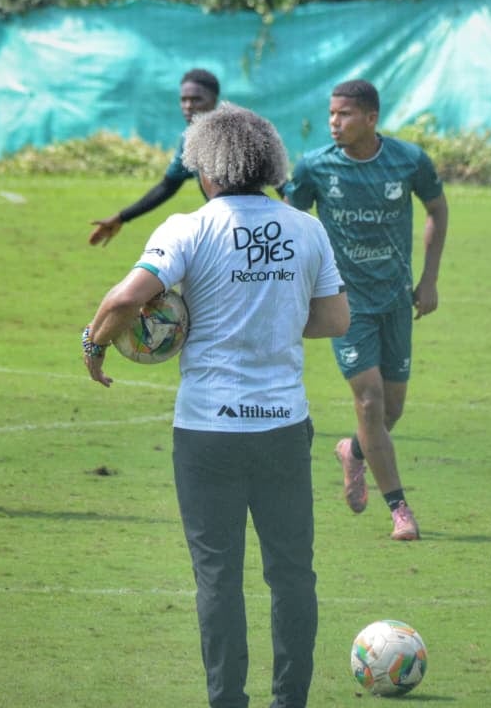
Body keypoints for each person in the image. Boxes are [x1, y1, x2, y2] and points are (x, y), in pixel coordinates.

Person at [82, 104, 349, 708]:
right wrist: (272, 317)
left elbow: (127, 296)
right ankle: (291, 701)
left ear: (208, 169)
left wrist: (93, 341)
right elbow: (335, 317)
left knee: (218, 578)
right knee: (292, 574)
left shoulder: (187, 226)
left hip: (207, 431)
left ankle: (227, 700)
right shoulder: (305, 228)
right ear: (266, 164)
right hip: (283, 427)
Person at [284, 79, 449, 541]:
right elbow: (287, 221)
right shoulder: (315, 167)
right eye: (331, 114)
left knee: (389, 410)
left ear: (371, 118)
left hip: (396, 301)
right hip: (345, 304)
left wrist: (429, 279)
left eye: (345, 114)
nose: (334, 122)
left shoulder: (409, 161)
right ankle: (400, 510)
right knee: (370, 400)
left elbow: (437, 209)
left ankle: (353, 451)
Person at [88, 68, 221, 247]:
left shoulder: (240, 133)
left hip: (255, 227)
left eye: (196, 99)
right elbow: (167, 186)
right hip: (225, 227)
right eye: (184, 100)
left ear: (213, 100)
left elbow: (273, 174)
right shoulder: (189, 140)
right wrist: (122, 217)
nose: (188, 106)